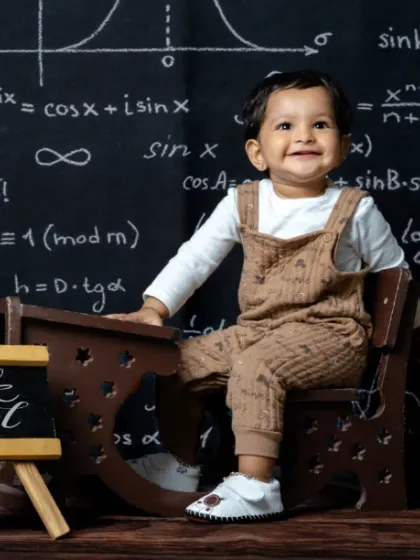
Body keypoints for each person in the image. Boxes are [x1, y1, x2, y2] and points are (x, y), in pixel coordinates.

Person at [107, 69, 408, 523]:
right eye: (285, 126)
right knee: (181, 363)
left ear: (343, 146)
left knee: (256, 367)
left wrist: (402, 346)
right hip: (261, 330)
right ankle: (181, 466)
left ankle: (256, 485)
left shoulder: (355, 209)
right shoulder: (243, 202)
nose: (304, 135)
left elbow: (397, 277)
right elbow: (196, 259)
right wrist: (154, 308)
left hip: (332, 336)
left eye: (320, 125)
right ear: (257, 152)